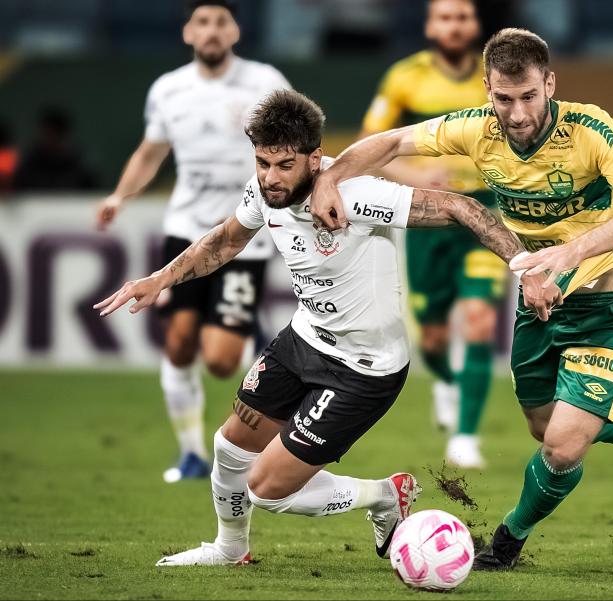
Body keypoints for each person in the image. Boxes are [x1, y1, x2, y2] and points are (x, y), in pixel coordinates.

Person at [93, 89, 526, 566]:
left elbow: (461, 208)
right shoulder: (263, 192)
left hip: (364, 368)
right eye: (262, 162)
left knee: (268, 490)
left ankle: (385, 495)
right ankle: (229, 549)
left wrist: (526, 264)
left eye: (283, 165)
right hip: (303, 341)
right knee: (229, 447)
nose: (269, 177)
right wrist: (160, 279)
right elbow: (224, 241)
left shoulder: (358, 193)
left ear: (315, 158)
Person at [310, 28, 613, 571]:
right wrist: (331, 177)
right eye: (504, 99)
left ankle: (508, 540)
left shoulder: (592, 129)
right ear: (488, 90)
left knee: (562, 446)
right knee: (543, 425)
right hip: (540, 299)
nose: (518, 112)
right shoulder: (477, 131)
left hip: (609, 305)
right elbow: (388, 142)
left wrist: (566, 255)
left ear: (550, 83)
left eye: (529, 96)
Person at [95, 0, 291, 483]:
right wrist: (121, 195)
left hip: (243, 234)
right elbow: (150, 151)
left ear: (235, 30)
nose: (210, 31)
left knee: (222, 361)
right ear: (187, 32)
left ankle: (257, 355)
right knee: (180, 344)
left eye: (220, 22)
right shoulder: (168, 89)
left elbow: (295, 146)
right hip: (185, 230)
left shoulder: (265, 81)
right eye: (201, 22)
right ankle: (189, 454)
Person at [360, 0, 507, 468]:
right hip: (426, 217)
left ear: (475, 24)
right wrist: (417, 177)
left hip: (485, 211)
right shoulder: (404, 77)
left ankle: (465, 438)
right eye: (445, 16)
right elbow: (372, 147)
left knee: (481, 320)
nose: (455, 24)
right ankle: (445, 379)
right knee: (434, 339)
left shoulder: (498, 77)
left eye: (463, 16)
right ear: (430, 25)